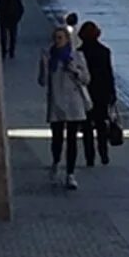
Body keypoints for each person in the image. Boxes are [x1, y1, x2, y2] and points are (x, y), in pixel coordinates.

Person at [39, 25, 91, 189]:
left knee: (72, 140)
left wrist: (75, 71)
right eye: (56, 38)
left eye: (61, 38)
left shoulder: (76, 56)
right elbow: (42, 81)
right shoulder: (48, 56)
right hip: (56, 102)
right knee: (57, 139)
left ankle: (70, 173)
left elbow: (86, 79)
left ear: (68, 40)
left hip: (74, 102)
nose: (58, 41)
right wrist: (45, 67)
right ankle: (56, 161)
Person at [77, 20, 117, 166]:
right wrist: (112, 93)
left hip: (85, 93)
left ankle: (90, 157)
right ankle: (103, 153)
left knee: (87, 127)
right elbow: (108, 73)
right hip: (102, 93)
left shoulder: (79, 53)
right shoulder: (104, 51)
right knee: (101, 125)